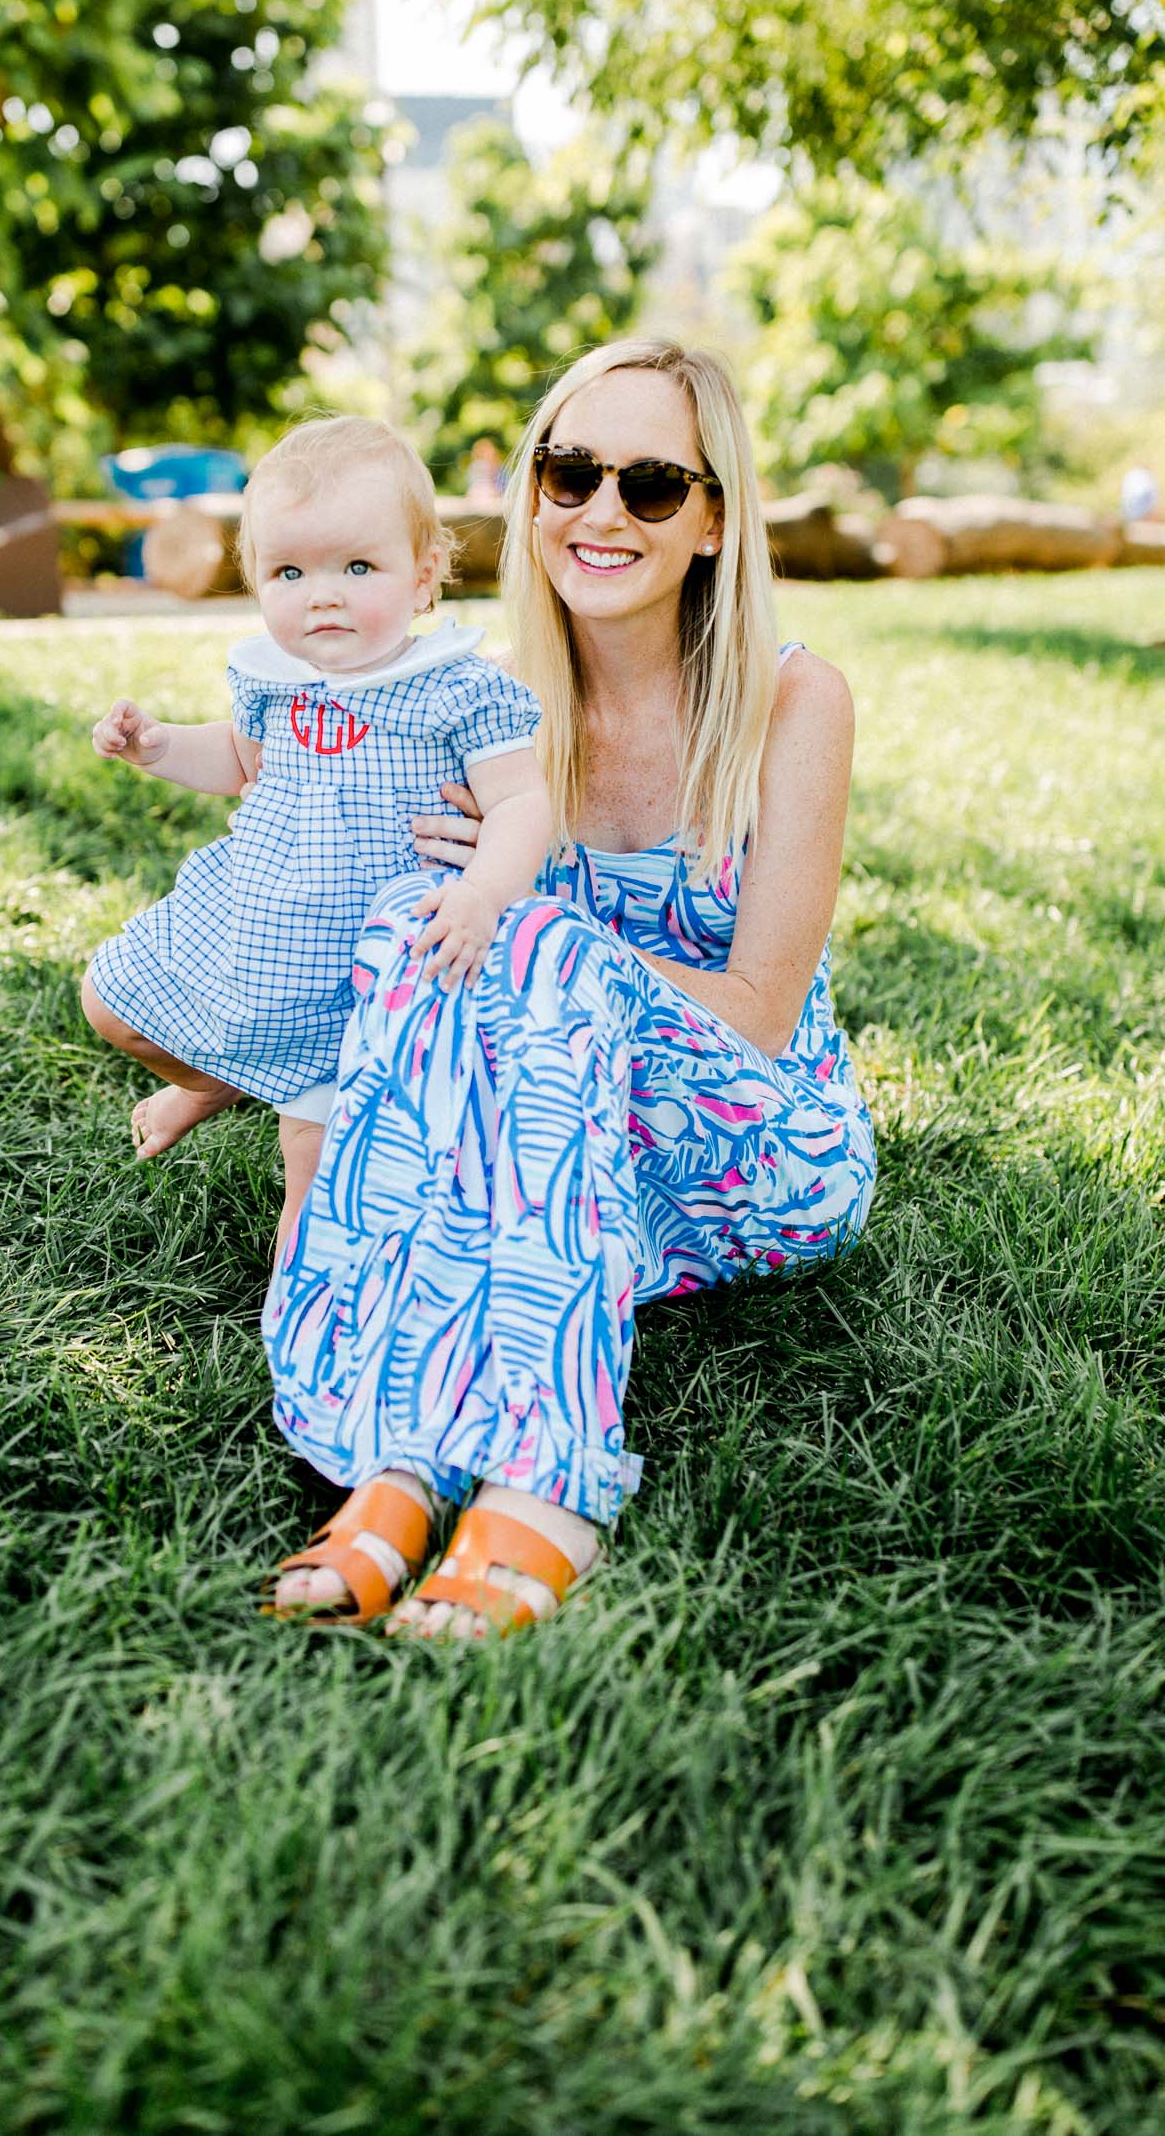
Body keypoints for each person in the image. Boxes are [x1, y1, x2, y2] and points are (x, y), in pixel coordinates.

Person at [260, 337, 877, 1634]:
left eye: (651, 485)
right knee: (408, 920)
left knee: (528, 946)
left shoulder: (792, 700)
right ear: (531, 488)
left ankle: (546, 1485)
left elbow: (763, 1005)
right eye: (570, 471)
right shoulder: (474, 703)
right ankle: (407, 1455)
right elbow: (393, 981)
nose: (600, 512)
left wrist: (535, 926)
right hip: (561, 1142)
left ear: (712, 520)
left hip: (759, 1144)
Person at [82, 415, 553, 1240]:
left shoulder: (456, 687)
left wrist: (482, 895)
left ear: (425, 575)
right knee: (110, 1002)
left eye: (358, 565)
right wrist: (157, 748)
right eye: (290, 570)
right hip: (255, 929)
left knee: (315, 1186)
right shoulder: (272, 680)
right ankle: (213, 1081)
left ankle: (306, 1329)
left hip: (367, 971)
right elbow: (237, 758)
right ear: (256, 579)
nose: (321, 592)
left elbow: (522, 802)